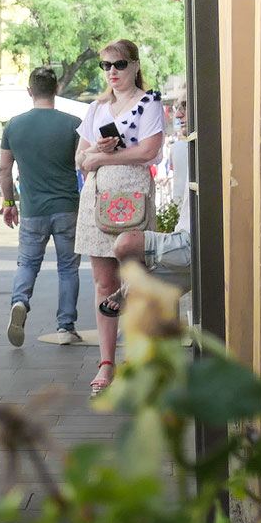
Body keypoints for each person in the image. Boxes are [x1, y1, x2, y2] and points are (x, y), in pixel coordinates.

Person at [75, 39, 167, 396]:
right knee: (104, 283)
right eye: (106, 66)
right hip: (98, 198)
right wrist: (95, 152)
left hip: (132, 194)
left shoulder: (148, 102)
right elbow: (79, 159)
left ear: (134, 65)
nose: (112, 71)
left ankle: (138, 357)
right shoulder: (97, 108)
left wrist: (102, 158)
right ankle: (107, 360)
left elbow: (150, 149)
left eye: (119, 64)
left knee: (135, 280)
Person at [0, 67, 85, 348]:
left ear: (29, 91)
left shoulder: (13, 125)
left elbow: (4, 169)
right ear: (57, 89)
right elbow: (84, 163)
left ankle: (20, 301)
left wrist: (10, 203)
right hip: (67, 207)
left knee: (27, 263)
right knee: (68, 269)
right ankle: (65, 327)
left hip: (32, 210)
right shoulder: (74, 124)